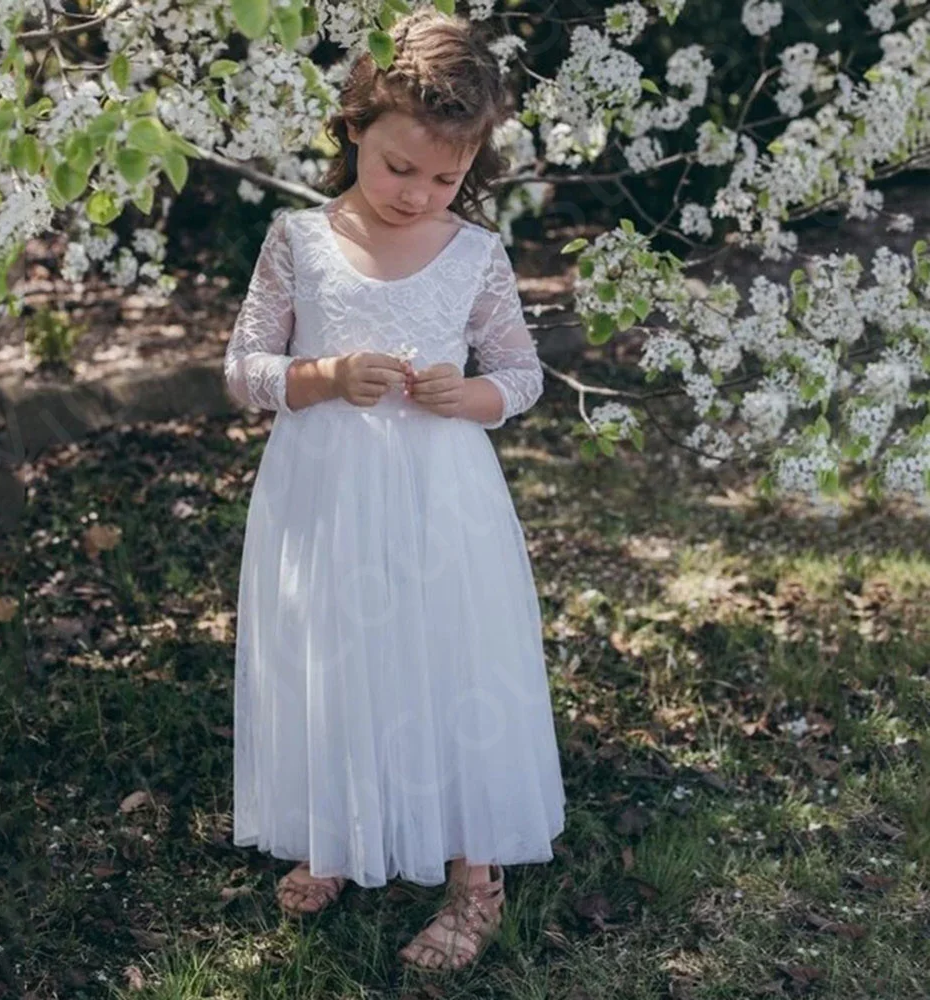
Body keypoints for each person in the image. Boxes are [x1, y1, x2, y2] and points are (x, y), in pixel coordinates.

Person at [224, 3, 566, 973]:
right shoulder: (299, 239)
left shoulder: (475, 256)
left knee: (446, 664)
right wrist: (320, 378)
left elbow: (523, 373)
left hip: (437, 504)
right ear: (353, 132)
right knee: (333, 653)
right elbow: (242, 366)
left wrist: (476, 394)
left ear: (472, 166)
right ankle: (340, 830)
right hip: (324, 499)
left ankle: (475, 877)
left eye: (444, 176)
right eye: (397, 167)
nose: (417, 194)